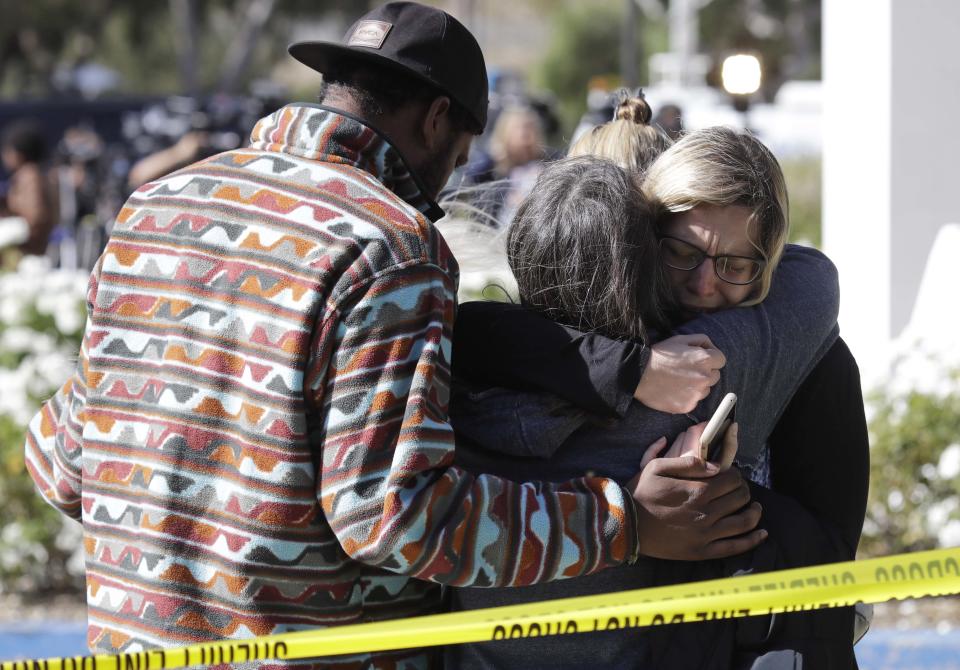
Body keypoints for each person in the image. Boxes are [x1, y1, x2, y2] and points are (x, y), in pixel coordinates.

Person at [21, 3, 765, 667]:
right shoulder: (389, 244)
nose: (451, 180)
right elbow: (394, 519)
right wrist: (625, 520)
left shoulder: (156, 208)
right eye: (461, 152)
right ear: (439, 120)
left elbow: (61, 461)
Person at [448, 125, 866, 668]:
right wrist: (635, 370)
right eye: (678, 252)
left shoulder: (450, 402)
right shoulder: (707, 371)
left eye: (736, 266)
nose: (702, 285)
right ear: (642, 249)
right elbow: (814, 277)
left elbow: (465, 328)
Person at [1, 119, 54, 256]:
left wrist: (11, 229)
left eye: (7, 150)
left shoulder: (30, 176)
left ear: (19, 153)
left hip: (30, 252)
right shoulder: (25, 175)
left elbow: (36, 217)